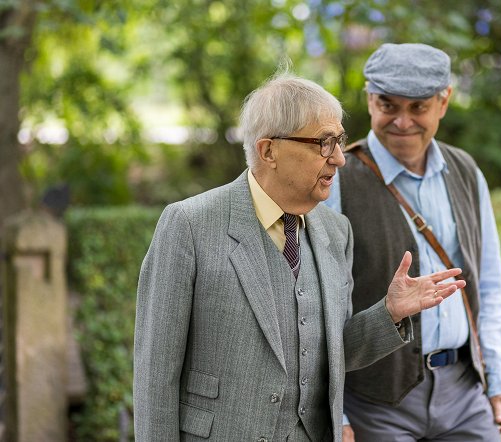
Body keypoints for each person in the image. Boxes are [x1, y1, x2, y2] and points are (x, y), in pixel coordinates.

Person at [133, 73, 467, 442]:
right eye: (324, 143)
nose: (339, 158)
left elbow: (330, 355)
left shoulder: (337, 231)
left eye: (339, 141)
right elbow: (155, 375)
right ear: (268, 151)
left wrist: (389, 313)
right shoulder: (189, 225)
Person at [325, 43, 501, 441]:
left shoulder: (466, 171)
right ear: (369, 100)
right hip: (375, 403)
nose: (402, 122)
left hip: (465, 393)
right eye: (388, 105)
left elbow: (487, 284)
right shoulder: (336, 181)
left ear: (443, 102)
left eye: (417, 107)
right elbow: (319, 311)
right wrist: (338, 412)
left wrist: (499, 378)